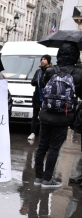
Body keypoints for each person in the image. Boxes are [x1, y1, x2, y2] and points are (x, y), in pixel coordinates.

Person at [34, 42, 82, 189]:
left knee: (42, 146)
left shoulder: (50, 71)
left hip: (46, 113)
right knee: (54, 148)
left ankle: (38, 177)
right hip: (64, 116)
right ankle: (48, 179)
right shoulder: (79, 72)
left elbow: (42, 86)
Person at [28, 54, 52, 141]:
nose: (42, 60)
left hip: (47, 97)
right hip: (37, 96)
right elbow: (32, 82)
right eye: (42, 59)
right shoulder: (38, 71)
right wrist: (36, 81)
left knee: (45, 117)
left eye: (45, 59)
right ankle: (32, 132)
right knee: (35, 116)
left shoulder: (51, 70)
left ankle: (44, 134)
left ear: (48, 61)